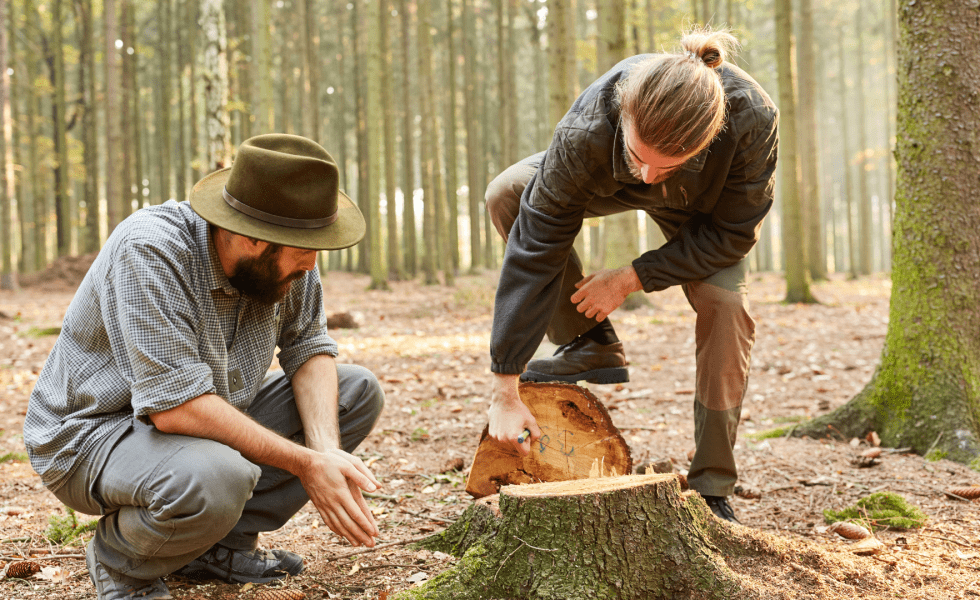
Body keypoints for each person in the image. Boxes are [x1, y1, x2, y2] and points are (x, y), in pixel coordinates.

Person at [24, 134, 385, 600]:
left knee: (356, 392)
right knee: (217, 477)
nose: (312, 262)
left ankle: (216, 546)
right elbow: (176, 409)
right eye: (303, 249)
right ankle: (122, 563)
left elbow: (309, 346)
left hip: (195, 427)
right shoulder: (151, 250)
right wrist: (306, 464)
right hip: (92, 435)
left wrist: (325, 451)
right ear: (251, 235)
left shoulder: (291, 251)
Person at [485, 28, 778, 524]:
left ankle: (712, 486)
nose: (647, 176)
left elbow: (731, 236)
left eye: (664, 164)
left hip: (701, 214)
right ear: (623, 115)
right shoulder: (587, 127)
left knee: (727, 309)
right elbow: (535, 248)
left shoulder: (753, 119)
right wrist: (504, 388)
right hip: (605, 175)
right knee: (508, 192)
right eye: (639, 155)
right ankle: (588, 342)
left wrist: (632, 276)